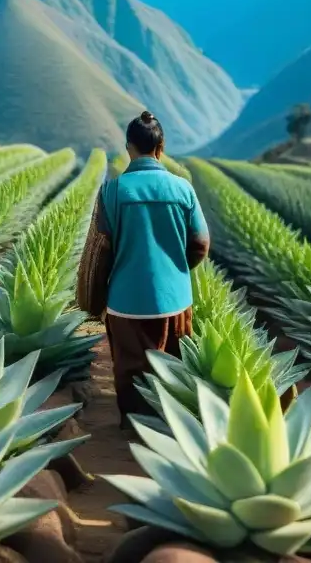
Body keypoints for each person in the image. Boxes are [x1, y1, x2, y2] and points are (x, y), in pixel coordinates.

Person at [76, 111, 210, 427]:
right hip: (174, 301)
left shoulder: (113, 191)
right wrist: (176, 269)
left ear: (128, 148)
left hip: (126, 303)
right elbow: (201, 244)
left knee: (130, 369)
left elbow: (98, 254)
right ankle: (171, 427)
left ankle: (135, 429)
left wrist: (94, 300)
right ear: (160, 147)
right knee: (173, 364)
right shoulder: (183, 189)